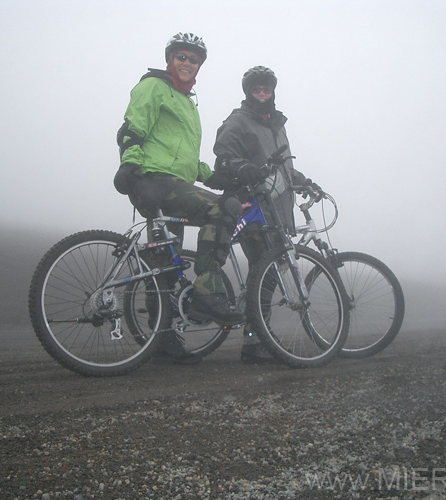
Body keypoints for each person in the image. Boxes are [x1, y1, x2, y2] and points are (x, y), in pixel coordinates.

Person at [114, 32, 245, 365]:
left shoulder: (187, 103)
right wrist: (128, 162)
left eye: (193, 59)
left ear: (199, 65)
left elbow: (183, 158)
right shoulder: (153, 87)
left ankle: (164, 343)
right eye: (181, 57)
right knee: (221, 209)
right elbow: (132, 129)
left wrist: (215, 176)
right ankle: (207, 292)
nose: (187, 63)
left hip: (172, 182)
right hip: (156, 181)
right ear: (170, 59)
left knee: (164, 269)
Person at [212, 66, 322, 364]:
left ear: (273, 90)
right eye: (256, 89)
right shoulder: (239, 121)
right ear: (247, 92)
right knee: (265, 271)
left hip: (277, 209)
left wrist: (302, 180)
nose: (262, 93)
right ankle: (254, 339)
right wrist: (242, 168)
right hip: (252, 206)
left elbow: (281, 166)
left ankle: (257, 333)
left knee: (269, 274)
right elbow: (223, 154)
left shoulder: (276, 124)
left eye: (266, 88)